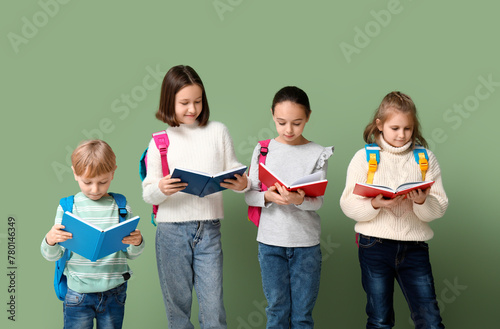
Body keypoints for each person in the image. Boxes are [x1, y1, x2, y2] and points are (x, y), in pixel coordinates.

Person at [141, 65, 249, 329]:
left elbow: (234, 169)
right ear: (169, 102)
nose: (192, 109)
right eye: (184, 103)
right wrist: (162, 188)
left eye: (198, 101)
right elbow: (148, 192)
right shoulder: (160, 141)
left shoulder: (218, 131)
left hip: (209, 229)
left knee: (213, 308)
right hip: (171, 231)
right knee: (178, 310)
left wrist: (243, 184)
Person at [340, 91, 448, 329]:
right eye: (395, 128)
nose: (401, 135)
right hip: (374, 246)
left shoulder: (426, 159)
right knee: (380, 320)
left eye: (407, 129)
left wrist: (421, 202)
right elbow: (347, 204)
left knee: (430, 320)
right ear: (380, 125)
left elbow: (439, 207)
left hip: (415, 248)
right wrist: (375, 204)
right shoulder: (363, 158)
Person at [245, 86, 334, 328]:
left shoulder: (318, 153)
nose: (288, 130)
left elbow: (319, 201)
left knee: (302, 316)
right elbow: (249, 196)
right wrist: (269, 197)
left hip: (306, 245)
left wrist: (298, 200)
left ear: (308, 117)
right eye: (281, 122)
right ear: (272, 115)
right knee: (276, 311)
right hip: (270, 243)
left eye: (297, 122)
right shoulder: (263, 149)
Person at [41, 139, 144, 329]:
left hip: (115, 291)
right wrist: (50, 240)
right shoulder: (68, 208)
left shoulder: (121, 206)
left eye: (102, 182)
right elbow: (52, 255)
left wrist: (137, 243)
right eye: (87, 182)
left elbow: (131, 254)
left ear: (113, 172)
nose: (95, 189)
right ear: (75, 174)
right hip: (78, 292)